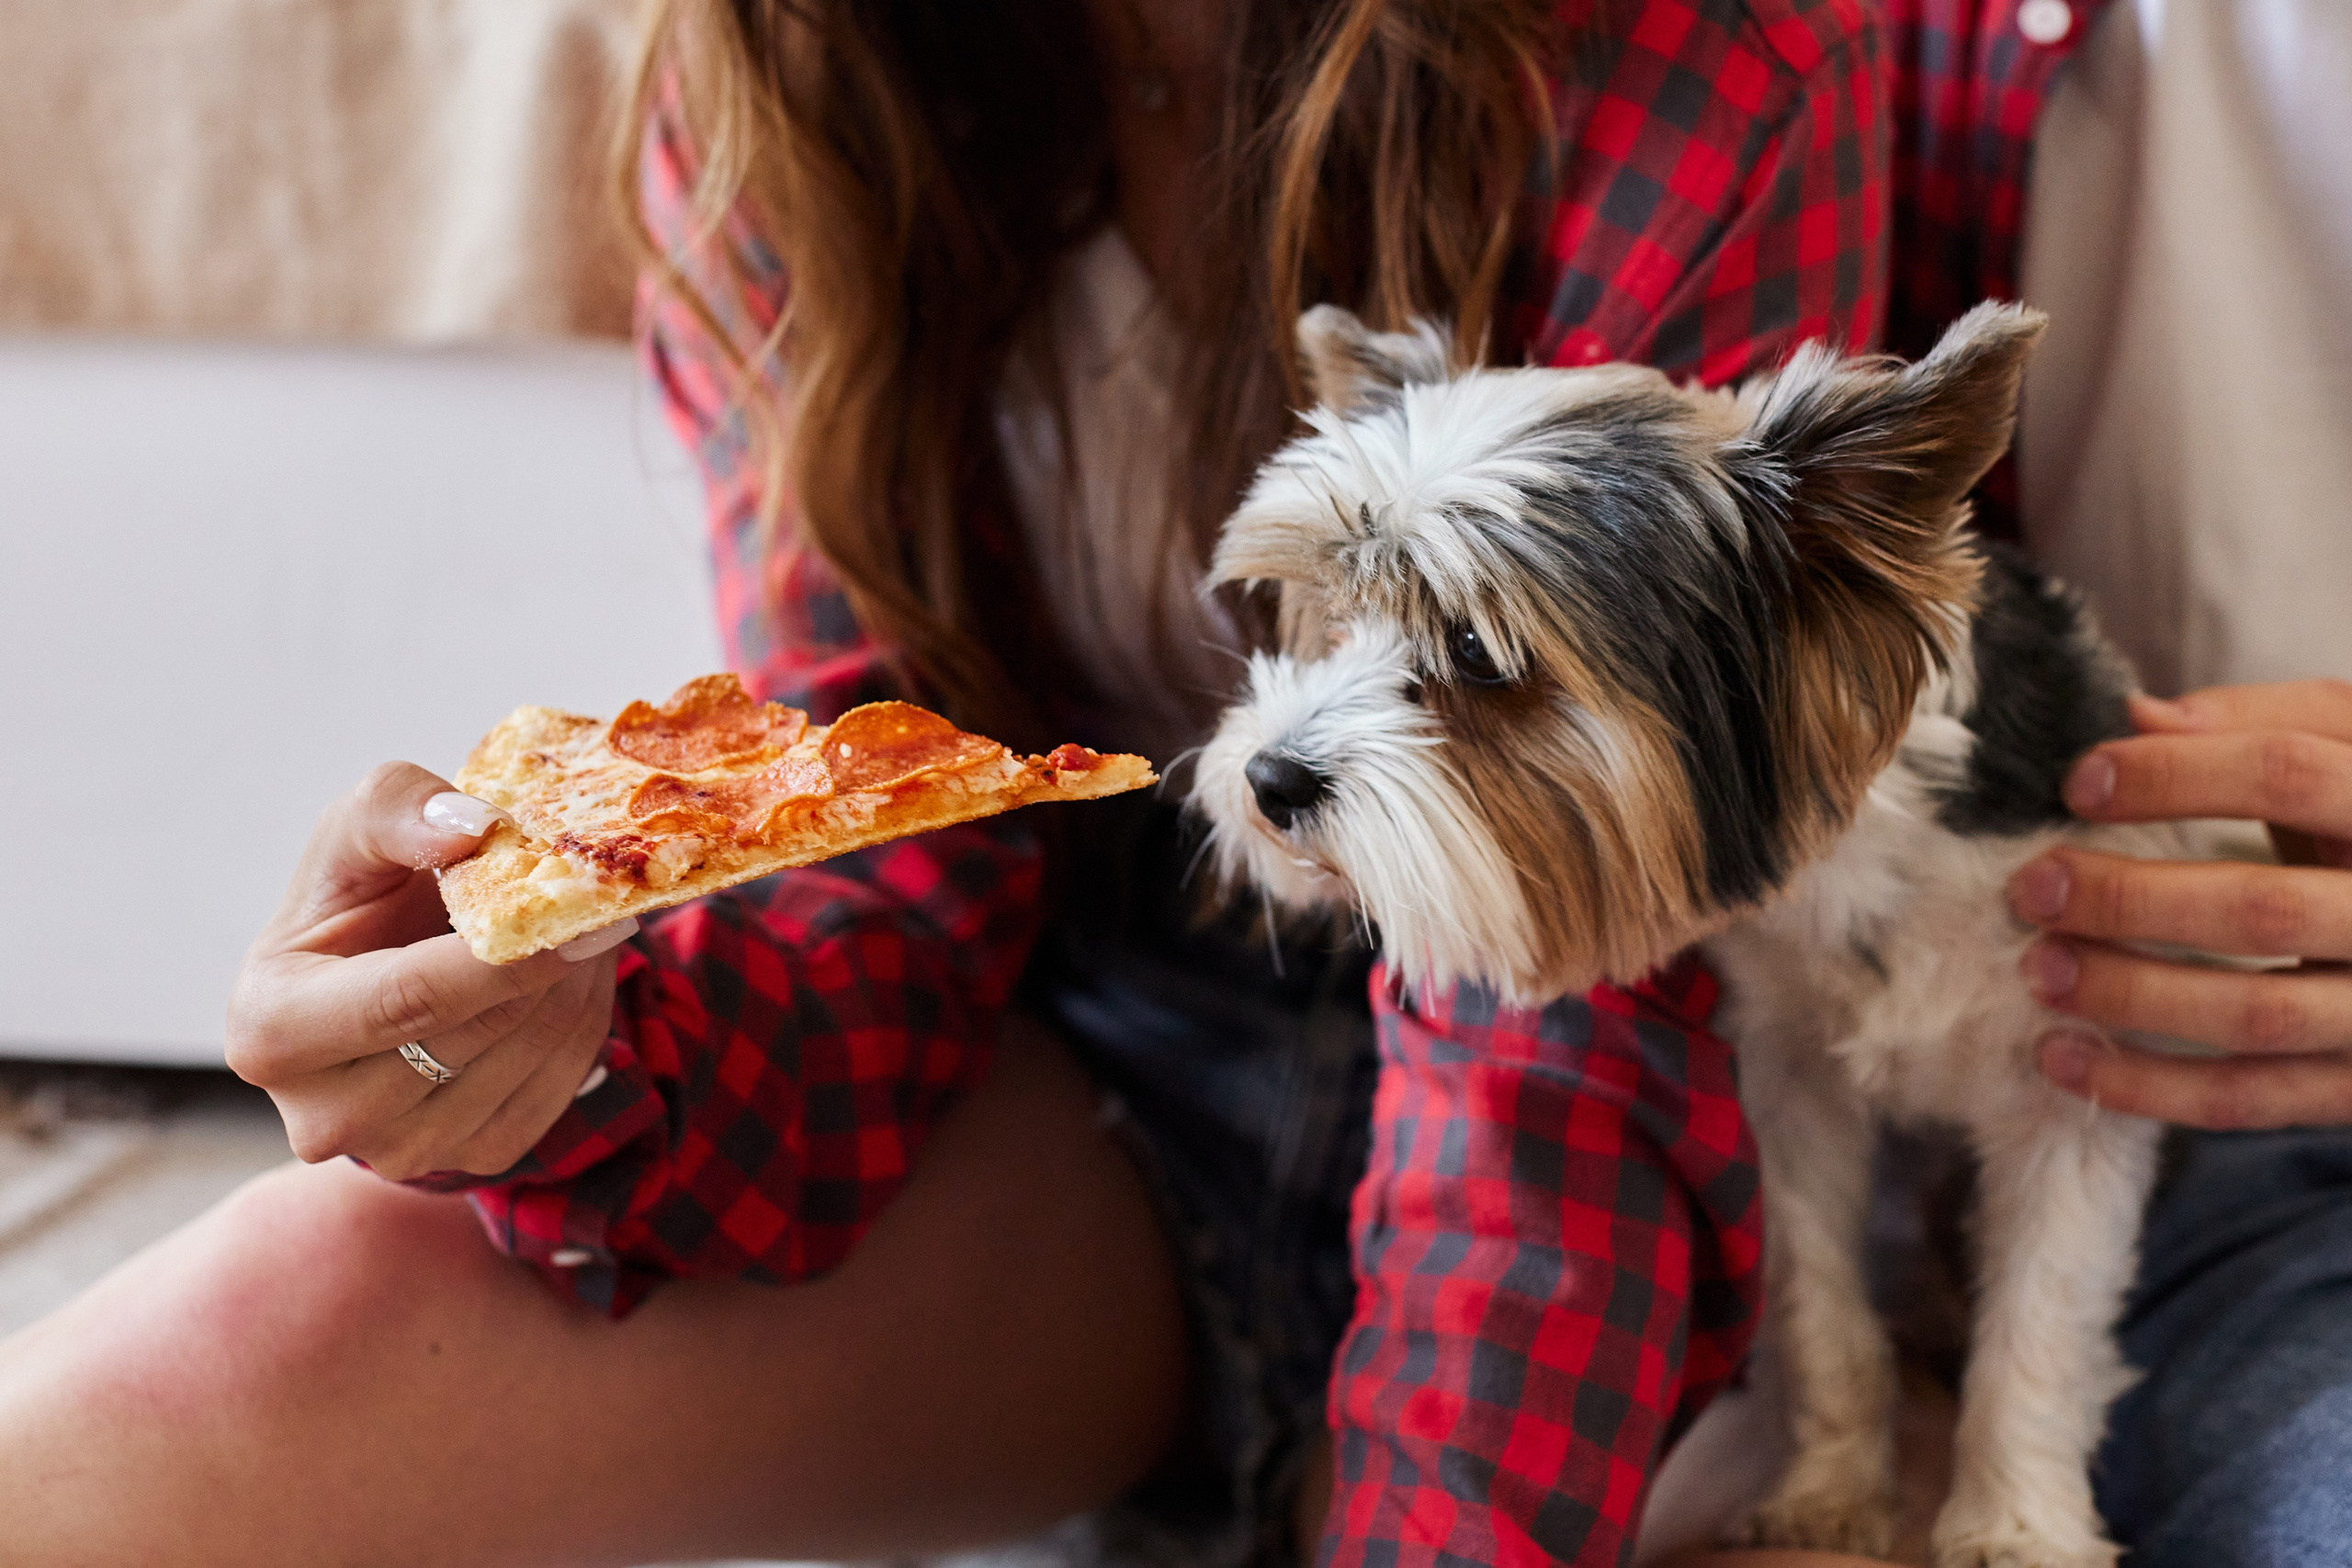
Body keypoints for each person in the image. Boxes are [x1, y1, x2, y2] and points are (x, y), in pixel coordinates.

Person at [0, 6, 2344, 1568]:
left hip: (1620, 1046)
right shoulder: (780, 93)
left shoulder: (1702, 59)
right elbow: (875, 818)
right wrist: (579, 1036)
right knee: (175, 1388)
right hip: (1098, 1048)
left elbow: (1596, 962)